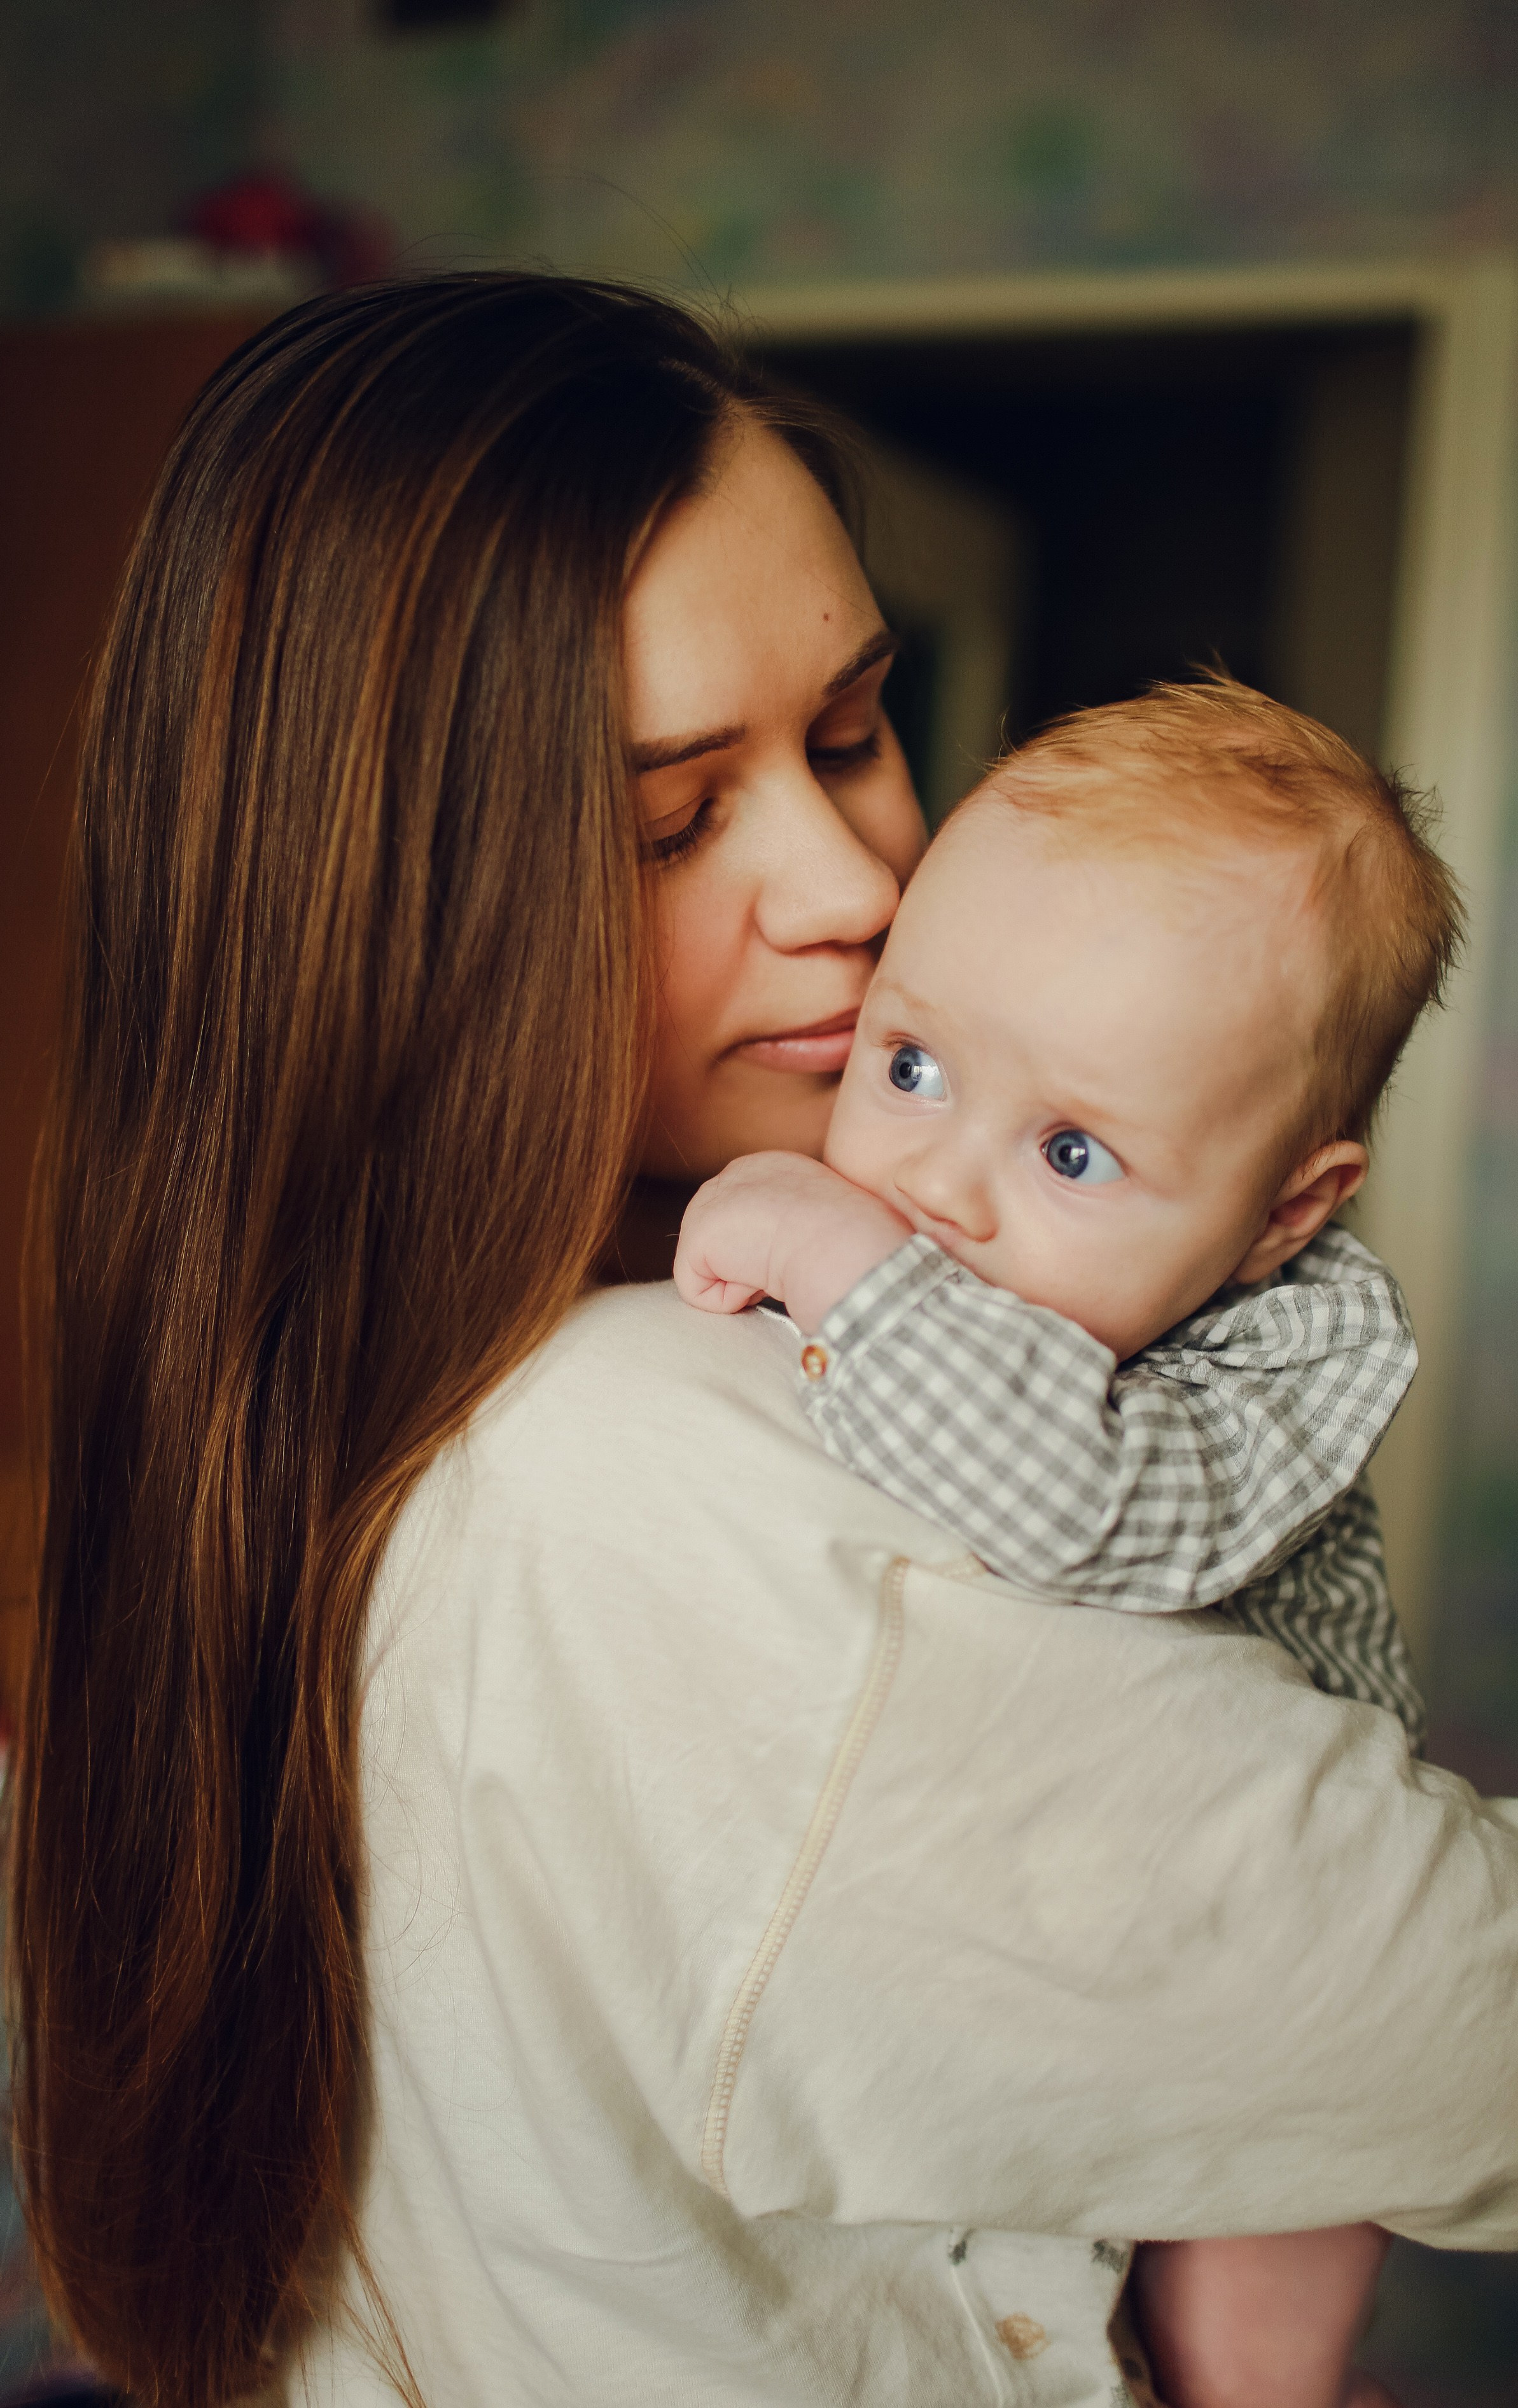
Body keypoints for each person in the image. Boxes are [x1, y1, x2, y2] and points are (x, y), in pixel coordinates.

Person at [11, 273, 1518, 2408]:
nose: (852, 876)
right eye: (674, 815)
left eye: (849, 731)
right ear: (395, 924)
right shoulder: (665, 1471)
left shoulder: (382, 1404)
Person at [674, 676, 1466, 2405]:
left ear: (1284, 1209)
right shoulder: (932, 1255)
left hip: (1257, 1934)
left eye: (1071, 1149)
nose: (938, 1186)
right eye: (909, 1062)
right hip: (1023, 1918)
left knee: (1268, 2272)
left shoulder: (1297, 1345)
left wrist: (836, 1260)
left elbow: (1078, 1508)